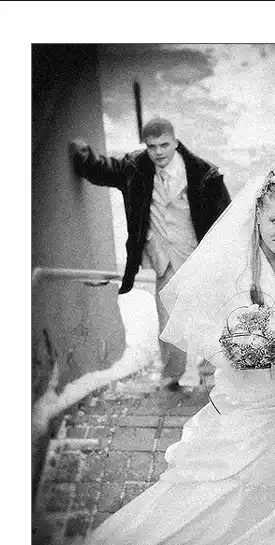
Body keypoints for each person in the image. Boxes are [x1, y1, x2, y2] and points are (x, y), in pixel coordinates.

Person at [80, 167, 275, 545]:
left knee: (272, 476)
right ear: (257, 214)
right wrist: (237, 350)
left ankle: (251, 530)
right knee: (219, 475)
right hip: (248, 392)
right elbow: (202, 326)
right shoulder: (231, 263)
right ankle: (162, 535)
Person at [70, 118, 231, 390]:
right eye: (152, 146)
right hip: (164, 260)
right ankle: (171, 378)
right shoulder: (136, 167)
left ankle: (210, 378)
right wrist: (82, 154)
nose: (158, 152)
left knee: (208, 319)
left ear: (175, 142)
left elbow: (226, 219)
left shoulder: (204, 174)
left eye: (164, 145)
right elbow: (103, 171)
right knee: (168, 325)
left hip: (198, 258)